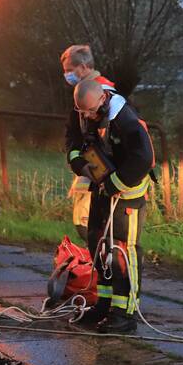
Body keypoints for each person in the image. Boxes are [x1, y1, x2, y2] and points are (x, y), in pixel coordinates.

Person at [73, 79, 154, 334]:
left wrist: (115, 184)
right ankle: (105, 304)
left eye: (88, 110)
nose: (85, 115)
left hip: (126, 194)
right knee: (98, 243)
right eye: (81, 112)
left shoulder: (125, 120)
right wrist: (82, 166)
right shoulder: (92, 115)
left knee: (122, 250)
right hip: (103, 189)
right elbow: (77, 146)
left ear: (103, 99)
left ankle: (125, 314)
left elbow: (143, 159)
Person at [61, 44, 117, 241]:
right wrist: (74, 157)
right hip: (91, 164)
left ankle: (99, 263)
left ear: (83, 67)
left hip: (99, 166)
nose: (66, 75)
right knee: (89, 224)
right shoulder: (86, 91)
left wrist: (78, 159)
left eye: (69, 70)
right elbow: (75, 133)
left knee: (86, 223)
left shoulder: (101, 92)